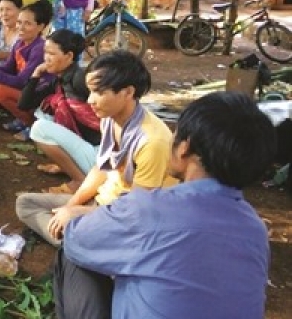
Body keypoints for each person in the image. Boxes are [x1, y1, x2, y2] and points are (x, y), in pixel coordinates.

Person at [54, 91, 275, 319]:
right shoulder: (256, 229)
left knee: (73, 248)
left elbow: (77, 241)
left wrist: (73, 215)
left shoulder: (149, 208)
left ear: (184, 147)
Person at [15, 50, 177, 247]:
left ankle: (79, 246)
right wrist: (71, 206)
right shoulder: (109, 119)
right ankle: (75, 242)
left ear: (128, 92)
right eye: (90, 91)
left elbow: (136, 210)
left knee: (72, 229)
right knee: (25, 203)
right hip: (102, 203)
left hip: (131, 219)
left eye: (99, 92)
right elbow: (100, 169)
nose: (90, 100)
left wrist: (79, 213)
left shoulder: (152, 142)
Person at [18, 29, 100, 194]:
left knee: (40, 128)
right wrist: (36, 74)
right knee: (44, 115)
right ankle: (69, 167)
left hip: (100, 157)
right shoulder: (60, 80)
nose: (46, 58)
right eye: (45, 53)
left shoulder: (80, 79)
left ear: (69, 56)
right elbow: (24, 104)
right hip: (89, 148)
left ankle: (79, 180)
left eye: (52, 54)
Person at [0, 0, 53, 138]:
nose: (21, 27)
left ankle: (32, 124)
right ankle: (23, 119)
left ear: (41, 27)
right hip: (25, 91)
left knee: (1, 91)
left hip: (39, 95)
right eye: (20, 22)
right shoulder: (20, 43)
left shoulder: (39, 48)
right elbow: (8, 68)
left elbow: (21, 82)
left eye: (28, 24)